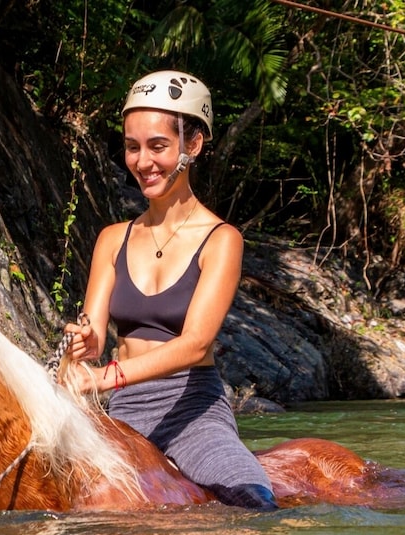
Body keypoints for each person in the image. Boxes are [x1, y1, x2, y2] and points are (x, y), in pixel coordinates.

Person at [63, 70, 278, 510]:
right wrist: (82, 345)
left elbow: (196, 344)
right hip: (121, 411)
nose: (143, 162)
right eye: (132, 147)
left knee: (254, 502)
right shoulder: (111, 239)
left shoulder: (221, 239)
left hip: (193, 412)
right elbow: (94, 335)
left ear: (192, 145)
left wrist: (105, 377)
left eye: (158, 146)